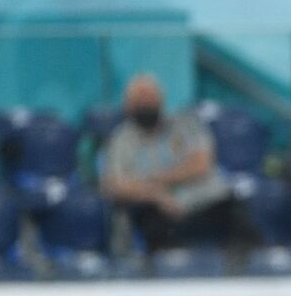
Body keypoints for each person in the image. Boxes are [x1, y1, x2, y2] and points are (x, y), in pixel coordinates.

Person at [99, 74, 259, 256]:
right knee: (150, 221)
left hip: (201, 203)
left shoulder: (184, 125)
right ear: (128, 106)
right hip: (158, 212)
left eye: (151, 98)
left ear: (161, 100)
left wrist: (160, 179)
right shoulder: (120, 140)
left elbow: (202, 163)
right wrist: (155, 194)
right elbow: (113, 185)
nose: (147, 104)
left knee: (236, 210)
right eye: (140, 99)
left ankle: (255, 270)